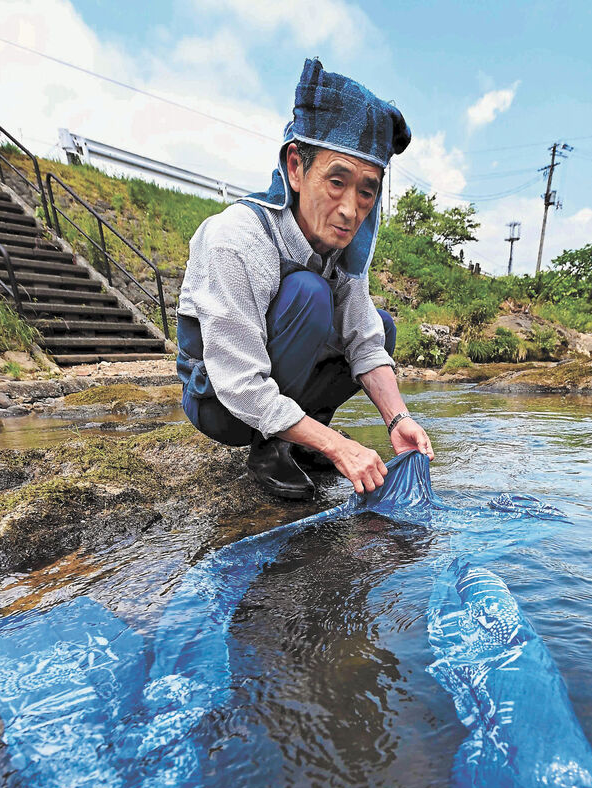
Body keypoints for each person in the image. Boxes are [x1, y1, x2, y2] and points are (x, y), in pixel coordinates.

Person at [176, 57, 434, 501]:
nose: (351, 209)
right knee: (310, 294)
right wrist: (341, 448)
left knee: (381, 326)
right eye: (337, 181)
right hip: (219, 400)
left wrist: (398, 420)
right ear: (295, 167)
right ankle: (270, 446)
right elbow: (238, 382)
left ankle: (305, 437)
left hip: (269, 386)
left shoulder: (342, 247)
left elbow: (365, 343)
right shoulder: (235, 239)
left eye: (367, 190)